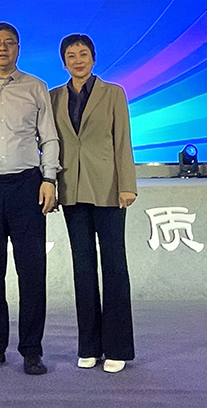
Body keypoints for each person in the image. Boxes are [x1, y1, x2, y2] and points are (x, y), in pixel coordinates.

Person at [0, 22, 61, 375]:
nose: (2, 48)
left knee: (31, 271)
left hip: (27, 186)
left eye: (9, 43)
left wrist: (49, 178)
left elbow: (49, 137)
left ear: (18, 48)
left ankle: (32, 350)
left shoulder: (36, 87)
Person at [49, 34, 136, 374]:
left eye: (83, 54)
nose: (77, 60)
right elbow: (50, 143)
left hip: (108, 188)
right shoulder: (54, 97)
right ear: (64, 62)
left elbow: (123, 140)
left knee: (114, 266)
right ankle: (89, 346)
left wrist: (127, 185)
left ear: (94, 58)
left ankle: (117, 347)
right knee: (82, 269)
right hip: (71, 190)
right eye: (71, 55)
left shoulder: (113, 93)